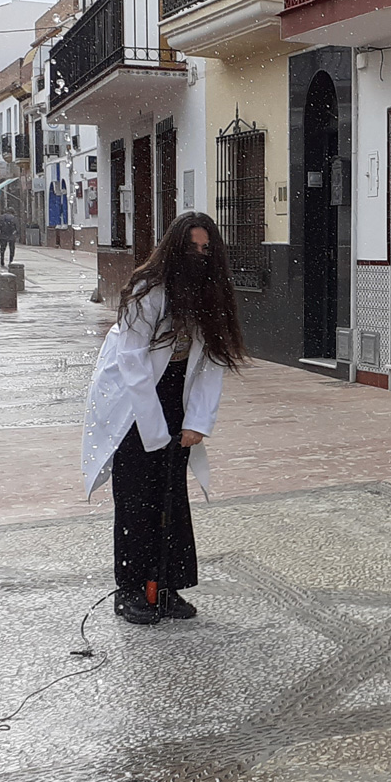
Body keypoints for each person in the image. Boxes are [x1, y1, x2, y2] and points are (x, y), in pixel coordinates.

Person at [81, 212, 244, 626]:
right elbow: (133, 363)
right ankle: (132, 589)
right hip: (133, 404)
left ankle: (166, 585)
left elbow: (209, 363)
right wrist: (153, 430)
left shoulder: (209, 293)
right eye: (193, 247)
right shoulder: (146, 290)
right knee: (136, 499)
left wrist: (197, 423)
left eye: (207, 248)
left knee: (171, 496)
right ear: (175, 247)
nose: (200, 255)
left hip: (175, 397)